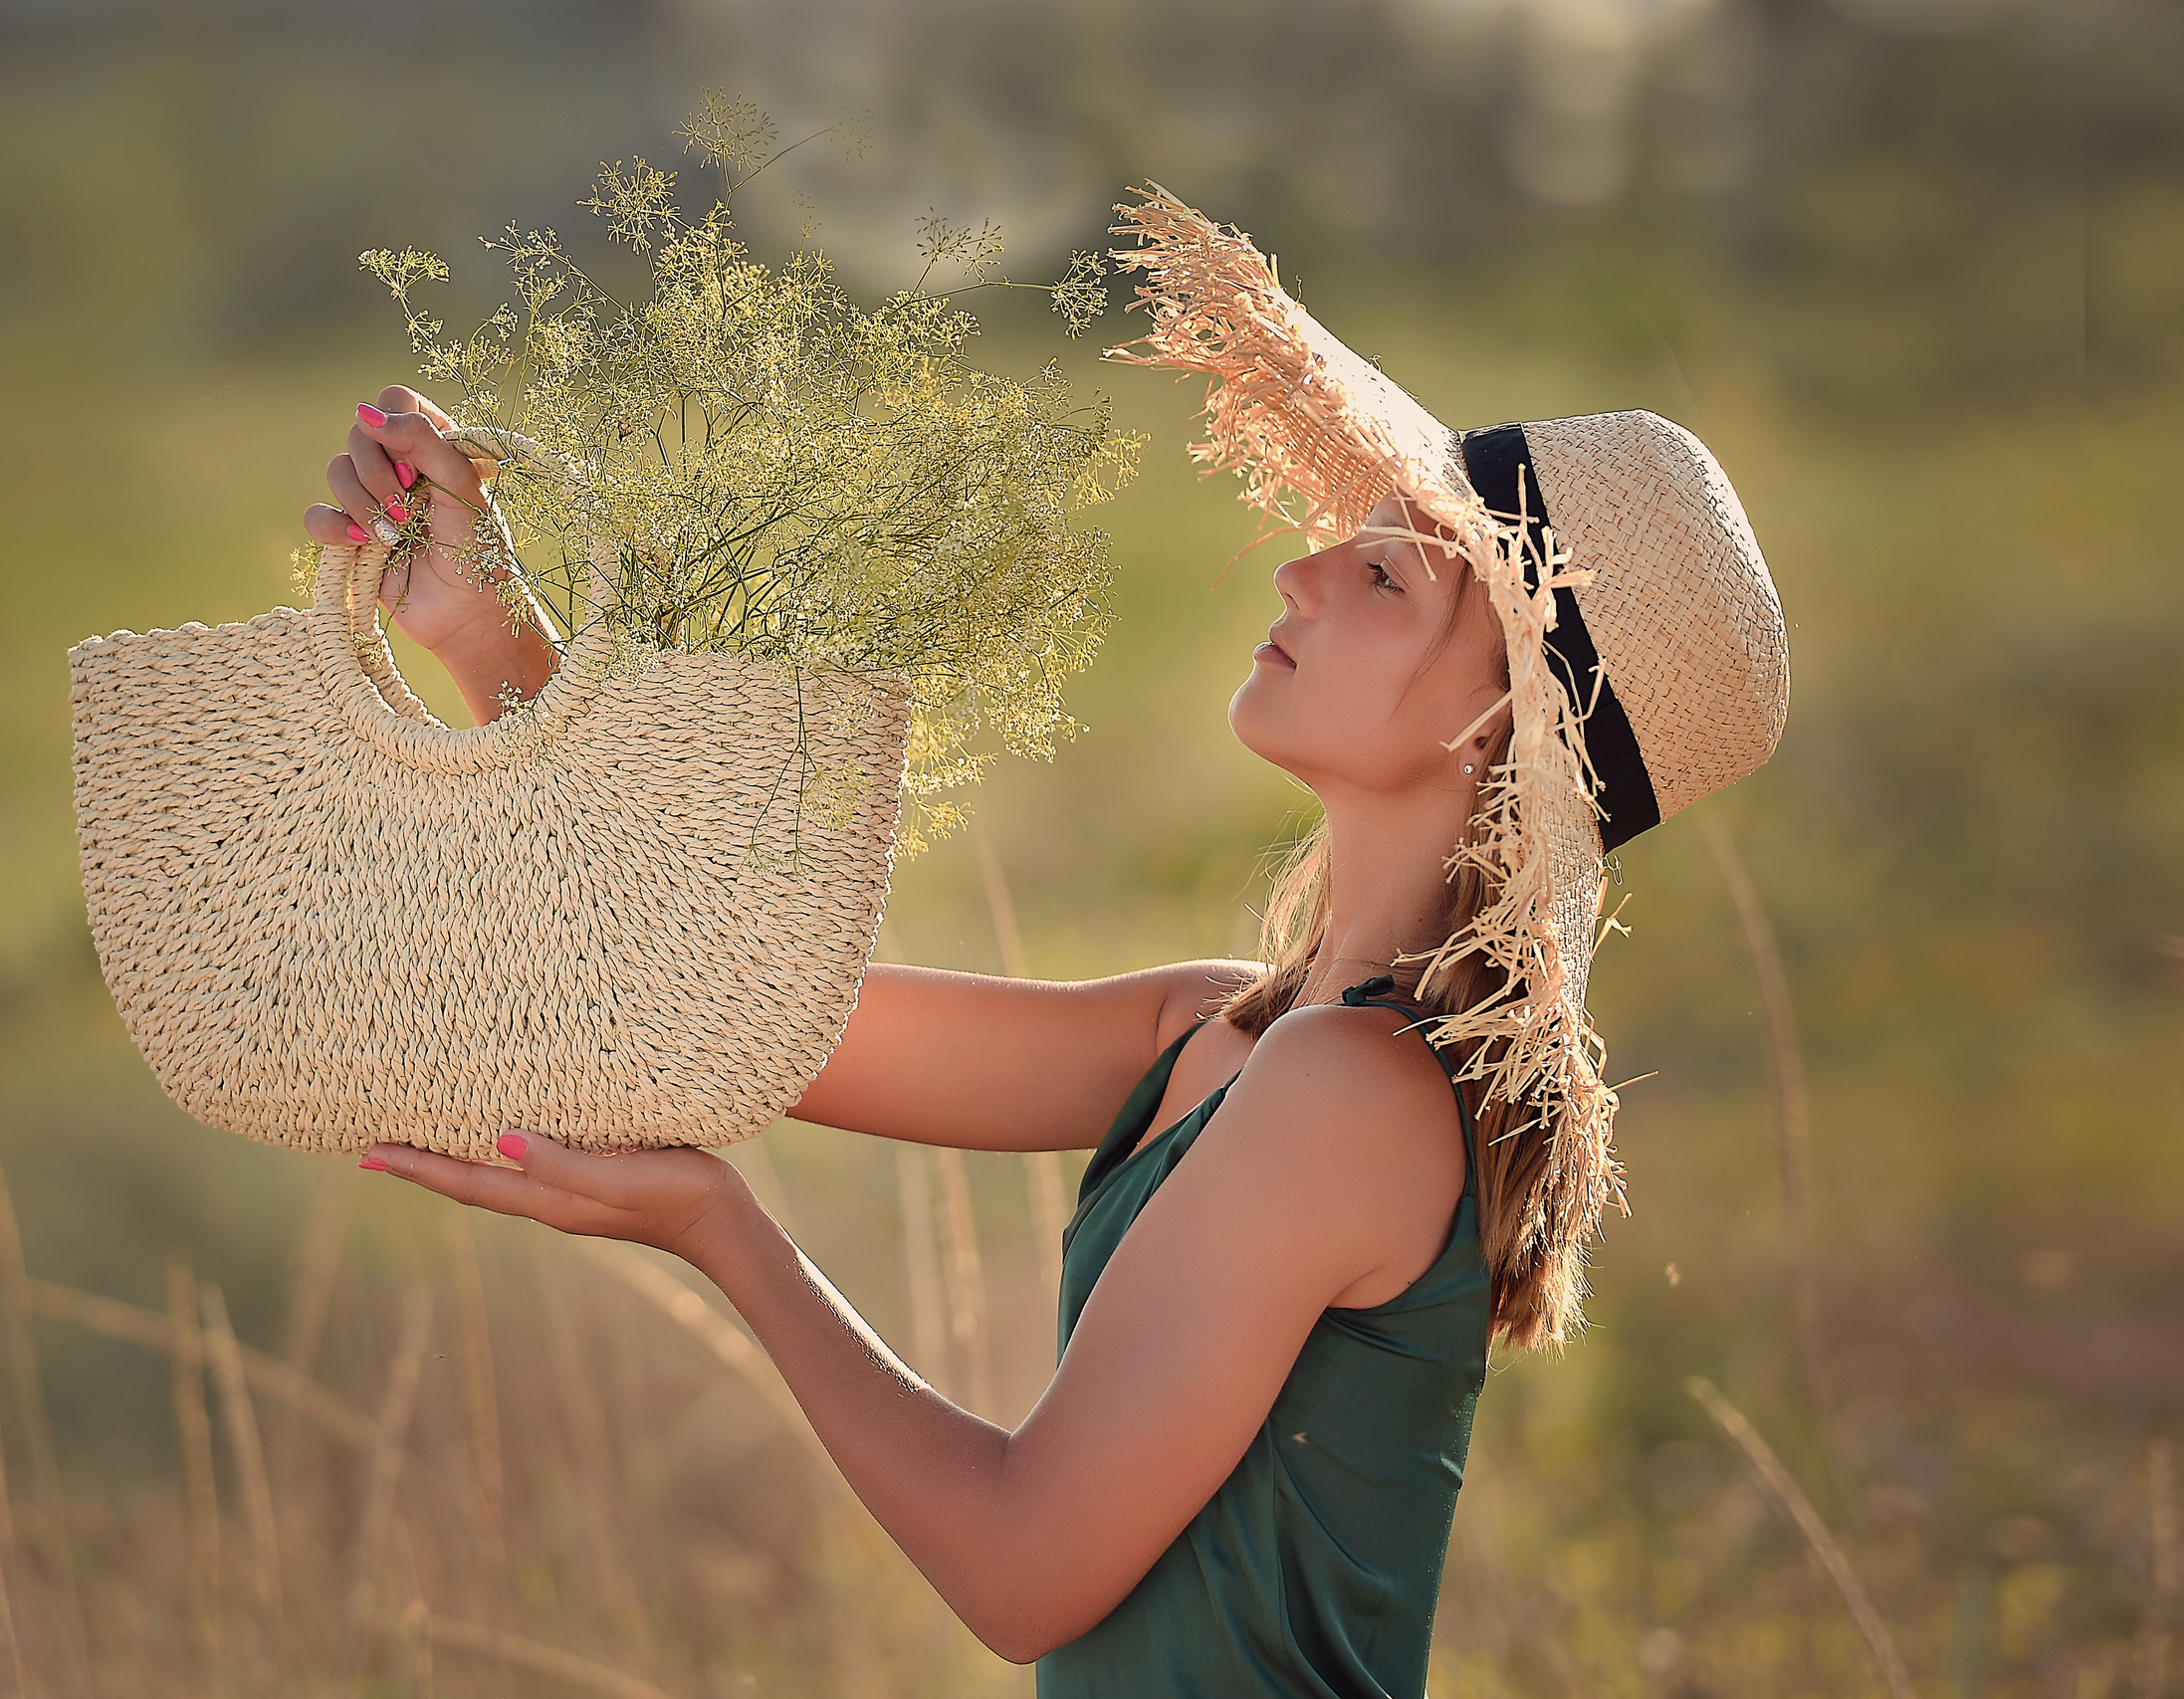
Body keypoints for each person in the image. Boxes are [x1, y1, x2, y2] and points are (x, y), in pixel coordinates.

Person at [303, 194, 1790, 1696]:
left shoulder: (1352, 1094)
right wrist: (495, 634)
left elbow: (1024, 1573)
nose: (1299, 575)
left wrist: (723, 1236)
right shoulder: (1221, 1036)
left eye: (1390, 578)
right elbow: (728, 1002)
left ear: (1497, 732)